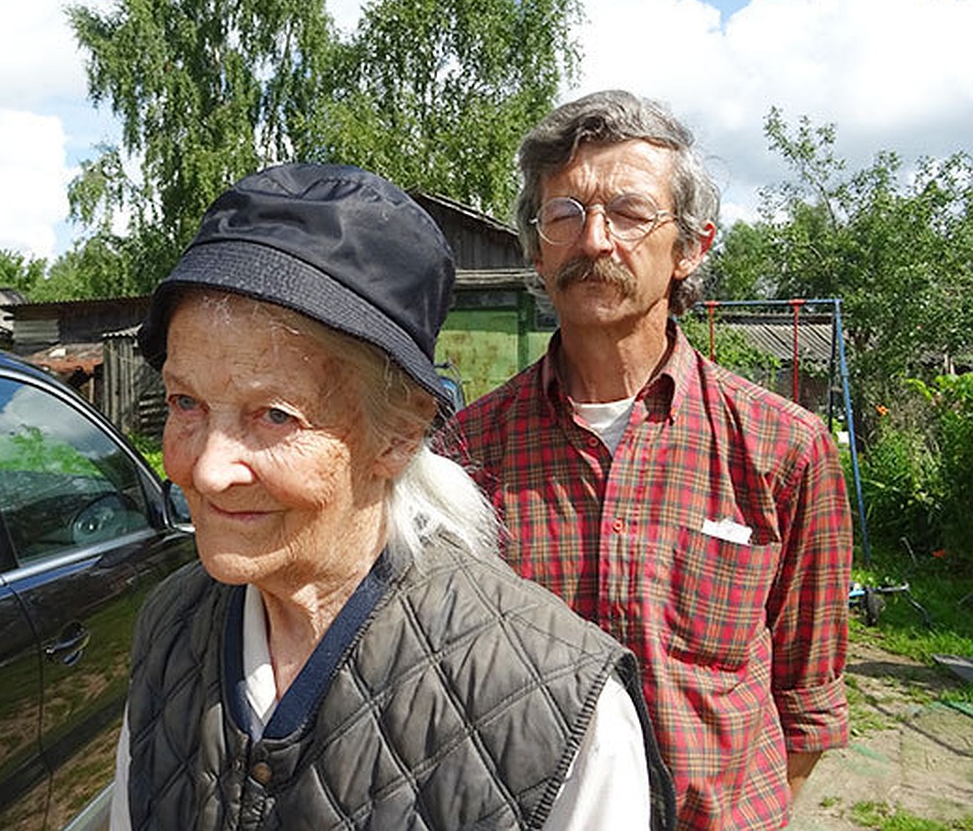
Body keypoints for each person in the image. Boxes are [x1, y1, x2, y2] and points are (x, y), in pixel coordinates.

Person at [109, 162, 676, 830]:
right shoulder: (173, 626)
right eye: (186, 402)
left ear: (399, 434)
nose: (206, 470)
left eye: (274, 415)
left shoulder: (556, 706)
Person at [437, 91, 852, 830]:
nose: (595, 239)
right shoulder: (466, 455)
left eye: (629, 213)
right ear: (536, 250)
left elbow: (807, 703)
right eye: (563, 214)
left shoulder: (785, 451)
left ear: (690, 247)